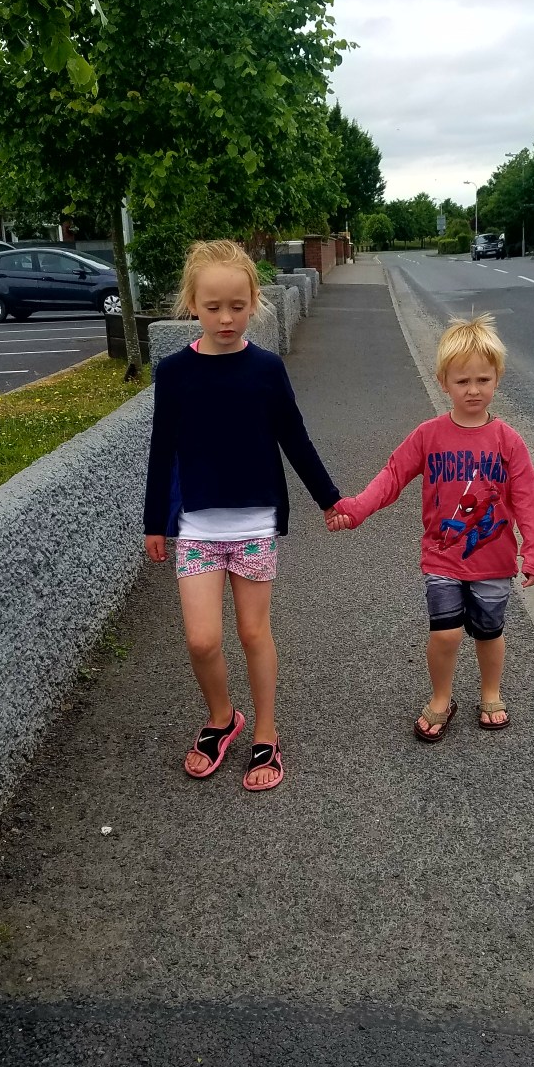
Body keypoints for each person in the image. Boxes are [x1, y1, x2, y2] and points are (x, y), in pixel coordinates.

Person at [144, 240, 339, 790]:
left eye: (237, 305)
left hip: (254, 526)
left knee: (254, 633)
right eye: (213, 307)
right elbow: (162, 450)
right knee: (202, 640)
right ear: (192, 305)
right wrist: (154, 522)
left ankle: (266, 734)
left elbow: (294, 438)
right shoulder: (175, 372)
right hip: (196, 529)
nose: (226, 318)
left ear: (254, 301)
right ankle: (222, 718)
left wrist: (329, 499)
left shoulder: (266, 369)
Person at [327, 314, 534, 740]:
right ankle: (442, 697)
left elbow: (527, 500)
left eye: (483, 380)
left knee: (489, 632)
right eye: (462, 381)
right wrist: (356, 508)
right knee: (445, 634)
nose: (473, 390)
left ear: (497, 378)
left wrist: (533, 551)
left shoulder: (508, 441)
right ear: (443, 382)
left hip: (494, 560)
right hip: (442, 555)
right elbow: (392, 476)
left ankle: (491, 692)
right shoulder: (429, 435)